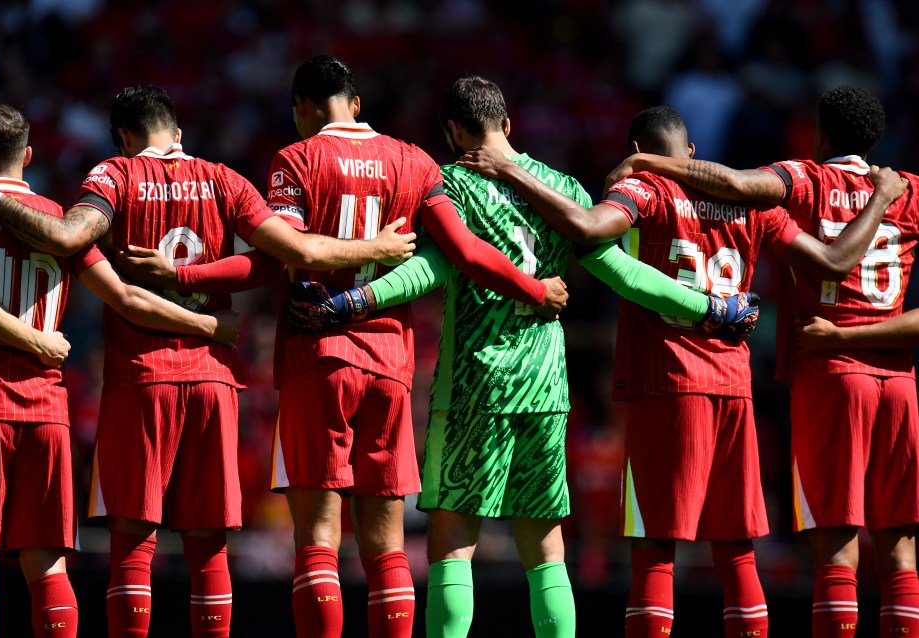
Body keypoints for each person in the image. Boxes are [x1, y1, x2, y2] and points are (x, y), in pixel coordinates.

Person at [112, 58, 573, 638]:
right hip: (392, 366)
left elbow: (278, 255)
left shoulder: (297, 159)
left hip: (318, 357)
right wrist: (536, 289)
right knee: (387, 547)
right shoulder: (414, 160)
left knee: (319, 542)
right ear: (355, 104)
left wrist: (188, 276)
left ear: (302, 109)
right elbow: (464, 251)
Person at [286, 78, 763, 638]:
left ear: (454, 133)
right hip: (545, 386)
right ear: (508, 125)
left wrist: (353, 300)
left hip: (475, 384)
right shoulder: (561, 187)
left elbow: (433, 268)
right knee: (545, 548)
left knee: (453, 544)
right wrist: (709, 305)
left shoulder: (450, 184)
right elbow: (627, 276)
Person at [0, 87, 414, 638]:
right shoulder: (224, 179)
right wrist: (372, 250)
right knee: (208, 551)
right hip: (214, 381)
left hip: (136, 379)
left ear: (124, 140)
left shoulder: (113, 176)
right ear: (177, 132)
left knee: (129, 546)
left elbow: (79, 247)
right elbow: (285, 256)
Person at [456, 104, 906, 638]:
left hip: (665, 384)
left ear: (637, 154)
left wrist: (511, 169)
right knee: (737, 551)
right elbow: (830, 260)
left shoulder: (646, 190)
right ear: (690, 152)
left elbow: (584, 225)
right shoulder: (752, 204)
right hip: (735, 389)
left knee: (655, 549)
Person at [604, 86, 919, 637]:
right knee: (892, 552)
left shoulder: (802, 180)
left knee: (830, 549)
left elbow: (732, 185)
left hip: (814, 375)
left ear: (819, 136)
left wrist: (642, 164)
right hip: (886, 381)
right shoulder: (908, 190)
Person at [0, 103, 243, 638]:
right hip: (49, 413)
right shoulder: (59, 219)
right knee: (48, 565)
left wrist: (32, 339)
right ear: (27, 154)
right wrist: (206, 326)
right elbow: (126, 297)